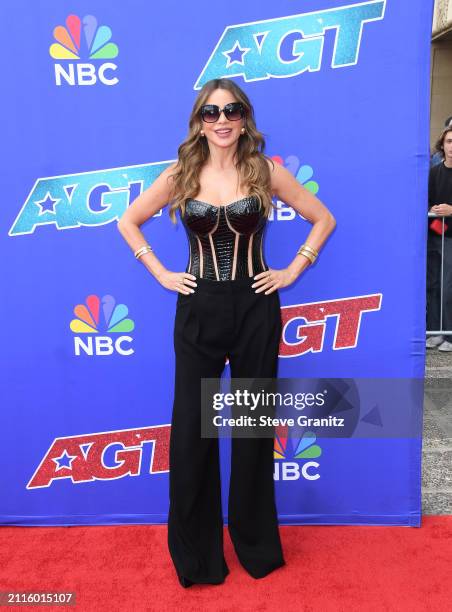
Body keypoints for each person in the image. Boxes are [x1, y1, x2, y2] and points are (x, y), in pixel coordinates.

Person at [117, 78, 336, 587]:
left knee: (252, 432)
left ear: (244, 119)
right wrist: (161, 273)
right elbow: (129, 221)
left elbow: (322, 218)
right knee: (194, 432)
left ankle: (256, 546)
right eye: (212, 112)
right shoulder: (182, 173)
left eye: (231, 111)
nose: (222, 120)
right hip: (197, 310)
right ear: (199, 120)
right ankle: (197, 558)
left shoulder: (264, 171)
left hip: (256, 308)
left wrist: (293, 269)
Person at [427, 125, 452, 351]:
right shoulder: (434, 173)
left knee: (447, 286)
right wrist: (436, 217)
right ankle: (435, 332)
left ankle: (449, 335)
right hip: (436, 236)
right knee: (433, 285)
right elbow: (427, 203)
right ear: (442, 146)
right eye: (449, 142)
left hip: (451, 239)